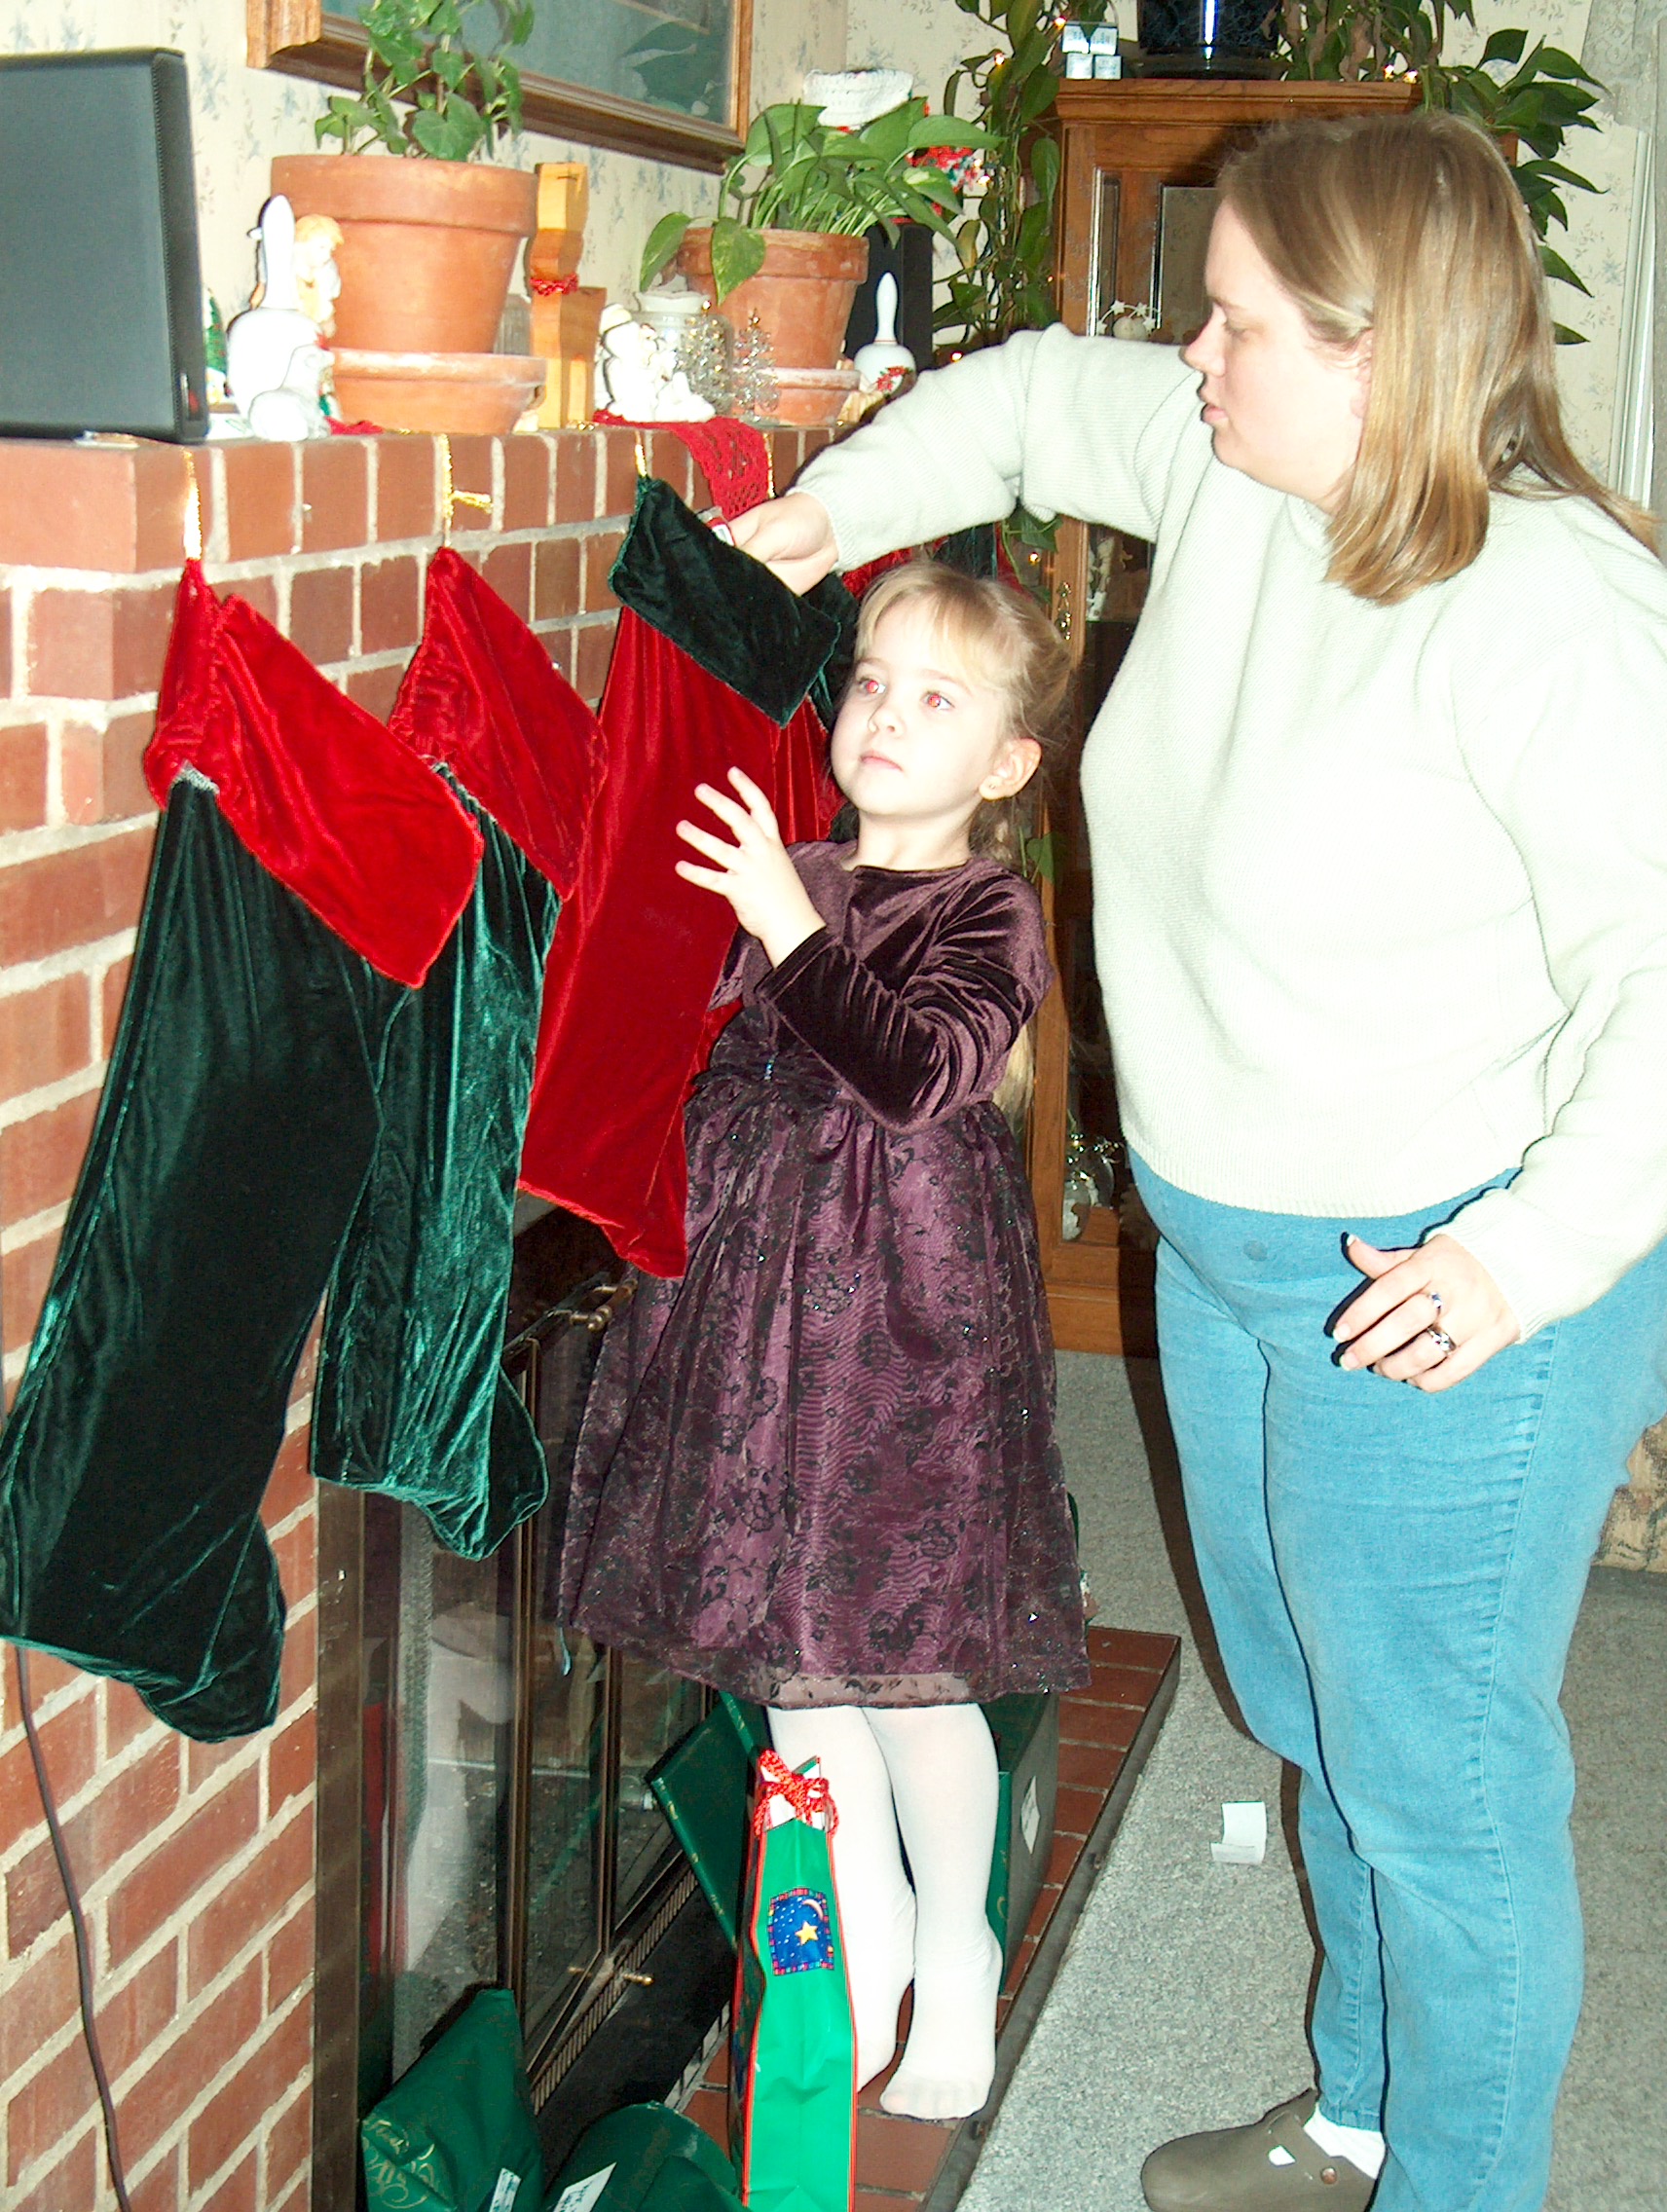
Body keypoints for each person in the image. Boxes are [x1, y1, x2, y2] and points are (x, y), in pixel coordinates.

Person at [728, 110, 1667, 2212]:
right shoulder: (1235, 472)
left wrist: (1531, 1252)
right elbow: (1035, 394)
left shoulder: (1558, 610)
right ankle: (1355, 2110)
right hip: (1234, 1249)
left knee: (1442, 1782)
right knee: (1321, 1718)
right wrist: (825, 513)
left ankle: (1458, 2183)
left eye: (1234, 319)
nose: (1192, 353)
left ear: (1374, 345)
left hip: (1451, 1282)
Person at [560, 561, 1088, 2120]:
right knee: (802, 1680)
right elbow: (679, 1032)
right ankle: (847, 1974)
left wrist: (787, 926)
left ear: (1004, 765)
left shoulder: (989, 909)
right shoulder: (784, 867)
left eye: (937, 699)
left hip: (909, 1364)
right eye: (869, 681)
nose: (885, 716)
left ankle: (958, 1954)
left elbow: (917, 1077)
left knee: (914, 1675)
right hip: (759, 1343)